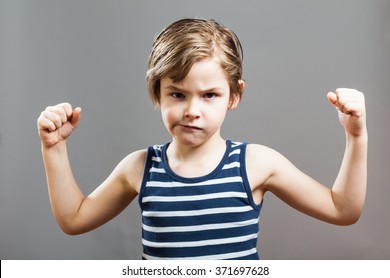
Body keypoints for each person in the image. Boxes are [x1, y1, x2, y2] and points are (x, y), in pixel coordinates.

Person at [37, 18, 367, 260]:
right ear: (157, 93)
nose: (192, 110)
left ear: (234, 96)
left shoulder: (255, 164)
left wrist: (356, 136)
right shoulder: (140, 168)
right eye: (178, 94)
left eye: (209, 95)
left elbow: (342, 210)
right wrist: (53, 148)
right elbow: (74, 219)